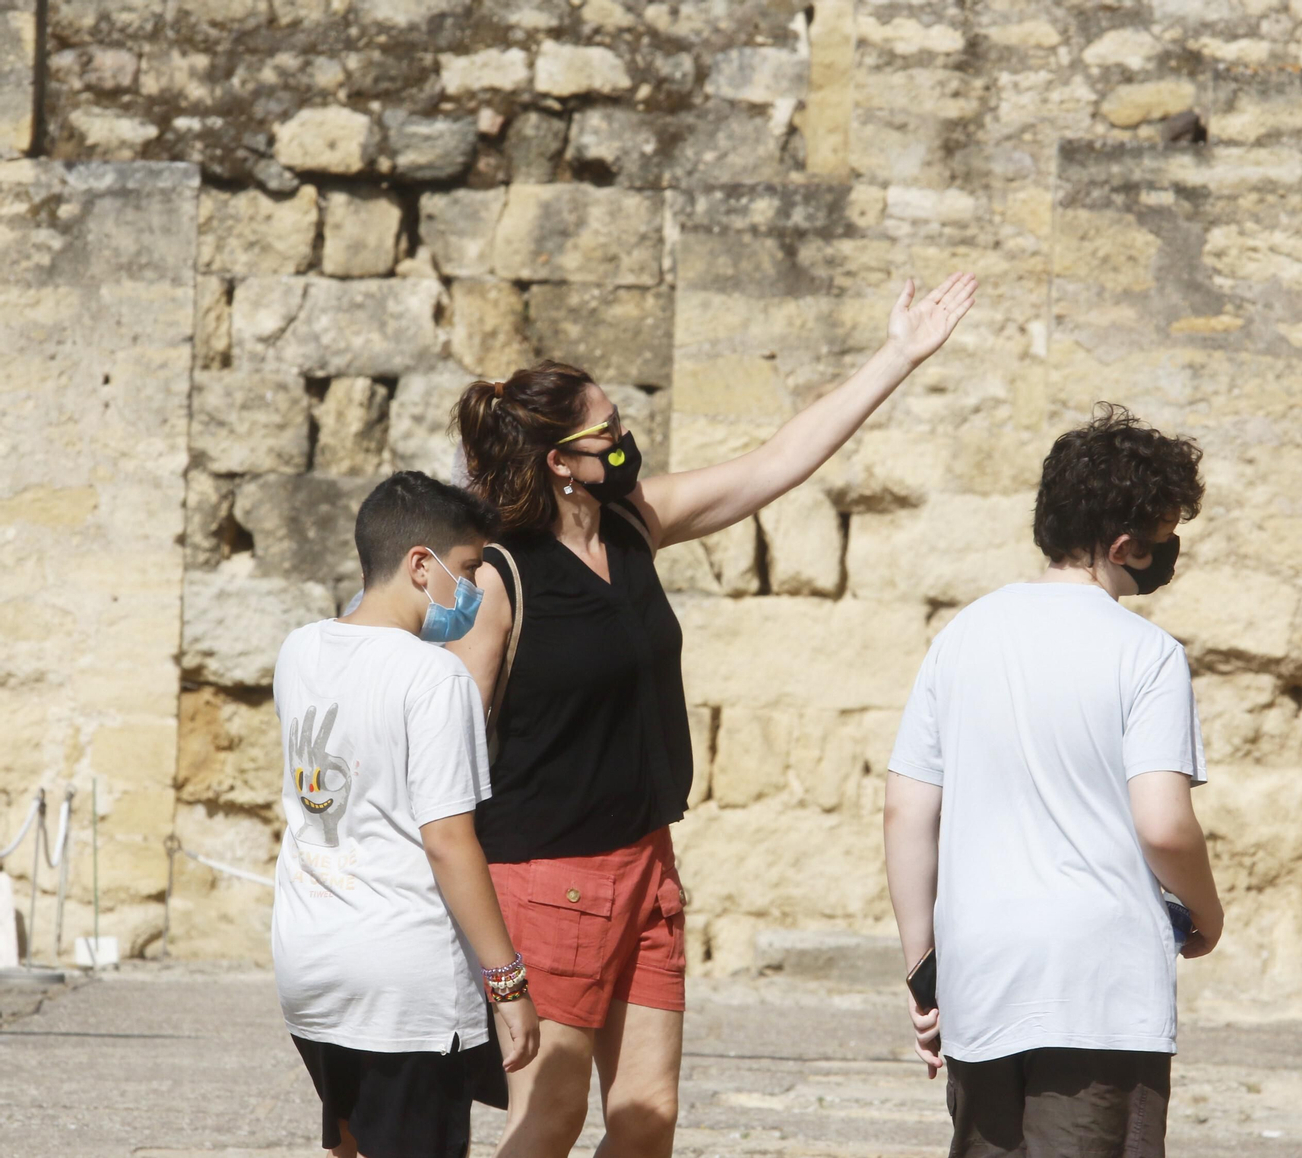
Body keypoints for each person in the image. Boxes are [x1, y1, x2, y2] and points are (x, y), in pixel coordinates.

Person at [445, 272, 978, 1158]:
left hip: (647, 864)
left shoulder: (631, 525)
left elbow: (775, 464)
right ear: (558, 462)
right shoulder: (501, 578)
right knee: (550, 1118)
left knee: (648, 1120)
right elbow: (444, 748)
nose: (624, 441)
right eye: (606, 431)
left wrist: (898, 355)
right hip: (547, 875)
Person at [882, 404, 1221, 1157]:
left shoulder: (962, 635)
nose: (1167, 556)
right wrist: (1207, 912)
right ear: (1125, 545)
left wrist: (923, 967)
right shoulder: (1148, 654)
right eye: (1165, 540)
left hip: (981, 974)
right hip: (1099, 989)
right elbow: (1163, 824)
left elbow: (906, 809)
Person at [271, 471, 540, 1158]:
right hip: (403, 983)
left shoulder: (299, 649)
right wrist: (507, 983)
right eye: (470, 568)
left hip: (310, 960)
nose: (475, 592)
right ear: (421, 565)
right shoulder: (435, 677)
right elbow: (449, 841)